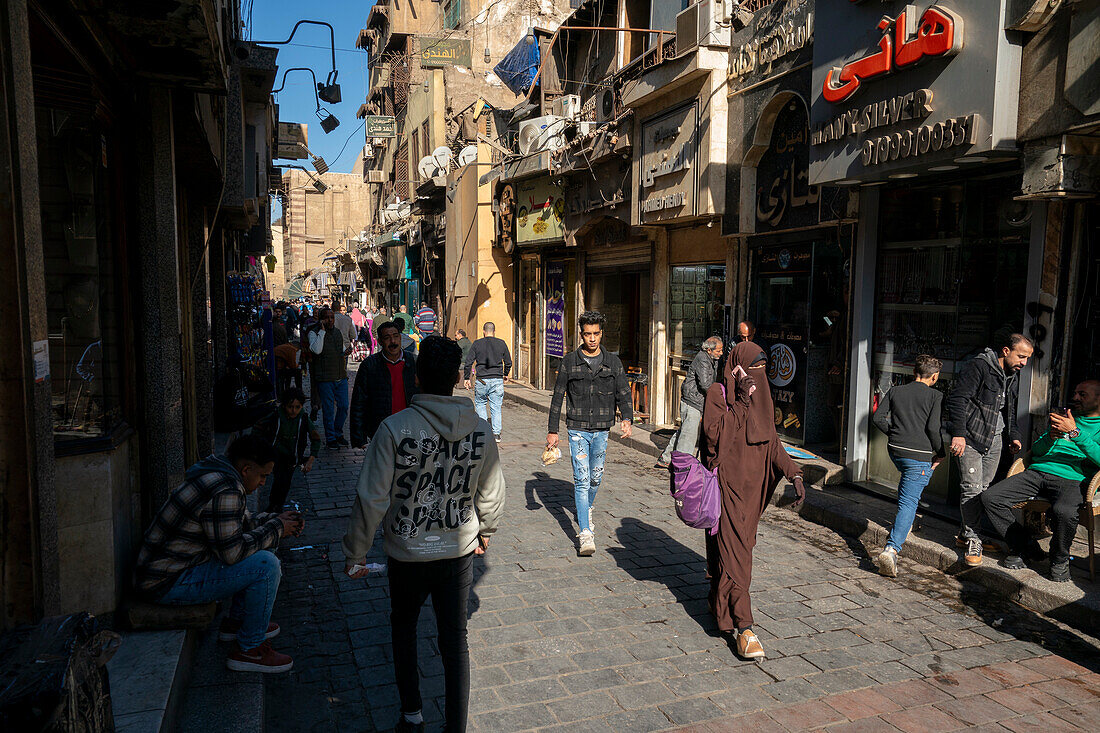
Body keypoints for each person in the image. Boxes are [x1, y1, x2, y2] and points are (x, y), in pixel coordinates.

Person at [343, 335, 506, 733]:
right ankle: (455, 726)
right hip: (457, 552)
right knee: (455, 640)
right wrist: (485, 529)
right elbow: (492, 490)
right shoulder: (482, 431)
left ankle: (412, 714)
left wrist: (357, 552)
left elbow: (372, 498)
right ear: (455, 377)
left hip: (407, 552)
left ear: (417, 377)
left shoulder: (394, 429)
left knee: (404, 628)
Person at [133, 434, 303, 672]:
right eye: (263, 476)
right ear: (246, 469)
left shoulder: (220, 474)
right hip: (166, 582)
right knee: (266, 565)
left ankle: (238, 622)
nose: (264, 483)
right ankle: (250, 648)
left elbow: (238, 526)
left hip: (176, 569)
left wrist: (275, 521)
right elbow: (232, 553)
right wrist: (275, 529)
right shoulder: (226, 489)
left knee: (267, 541)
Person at [702, 341, 805, 660]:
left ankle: (718, 605)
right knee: (739, 561)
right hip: (727, 489)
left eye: (763, 369)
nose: (758, 375)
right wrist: (742, 401)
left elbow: (772, 442)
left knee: (732, 556)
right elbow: (715, 436)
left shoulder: (762, 400)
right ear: (737, 368)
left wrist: (794, 473)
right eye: (753, 368)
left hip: (753, 496)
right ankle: (745, 629)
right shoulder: (718, 395)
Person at [981, 380, 1100, 582]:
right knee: (991, 498)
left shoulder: (1079, 425)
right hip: (1038, 472)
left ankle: (1059, 558)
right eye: (1075, 393)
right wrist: (1050, 438)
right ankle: (1025, 546)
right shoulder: (1067, 418)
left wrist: (1075, 433)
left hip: (1073, 479)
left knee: (1064, 512)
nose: (1075, 398)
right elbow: (1035, 452)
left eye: (1082, 395)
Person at [547, 311, 633, 557]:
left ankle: (586, 508)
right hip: (577, 429)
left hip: (602, 430)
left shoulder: (613, 363)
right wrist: (553, 431)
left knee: (596, 478)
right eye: (587, 334)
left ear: (601, 333)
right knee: (582, 480)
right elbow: (558, 396)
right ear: (581, 334)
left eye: (596, 334)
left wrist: (627, 418)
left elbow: (623, 393)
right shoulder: (569, 361)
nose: (592, 338)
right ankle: (585, 533)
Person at [946, 333, 1033, 567]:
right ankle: (974, 539)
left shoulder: (1012, 375)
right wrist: (958, 434)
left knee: (983, 489)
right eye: (1021, 356)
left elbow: (1010, 409)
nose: (1024, 363)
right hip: (971, 436)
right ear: (1006, 351)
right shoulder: (979, 366)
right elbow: (957, 399)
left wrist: (1013, 435)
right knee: (971, 488)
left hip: (994, 439)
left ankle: (966, 535)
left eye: (1027, 358)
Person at [871, 355, 944, 577]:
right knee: (909, 501)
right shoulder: (935, 395)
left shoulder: (895, 391)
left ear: (914, 373)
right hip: (919, 454)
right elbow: (933, 428)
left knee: (909, 488)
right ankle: (892, 549)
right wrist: (940, 453)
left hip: (896, 450)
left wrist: (894, 433)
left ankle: (906, 525)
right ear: (935, 376)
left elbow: (878, 419)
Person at [656, 336, 723, 469]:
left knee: (685, 431)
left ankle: (666, 458)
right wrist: (719, 394)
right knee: (688, 436)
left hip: (694, 400)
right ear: (709, 350)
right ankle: (682, 464)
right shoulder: (703, 359)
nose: (721, 353)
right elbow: (705, 384)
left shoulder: (710, 359)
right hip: (693, 401)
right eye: (718, 351)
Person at [350, 320, 418, 448]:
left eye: (395, 336)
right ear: (380, 341)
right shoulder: (370, 365)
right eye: (387, 338)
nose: (393, 341)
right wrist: (359, 438)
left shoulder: (413, 362)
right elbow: (359, 402)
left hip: (410, 427)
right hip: (382, 429)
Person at [252, 387, 321, 513]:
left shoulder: (303, 418)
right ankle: (274, 505)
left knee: (285, 482)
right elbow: (258, 427)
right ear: (284, 405)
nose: (293, 410)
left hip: (292, 456)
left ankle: (277, 505)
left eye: (297, 407)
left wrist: (311, 459)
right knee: (279, 479)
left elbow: (315, 438)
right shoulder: (276, 415)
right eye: (290, 407)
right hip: (276, 454)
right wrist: (261, 446)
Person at [308, 308, 352, 449]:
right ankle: (331, 438)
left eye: (332, 317)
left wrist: (346, 352)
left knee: (344, 407)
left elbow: (342, 350)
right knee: (328, 410)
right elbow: (317, 350)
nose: (330, 320)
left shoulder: (338, 333)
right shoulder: (313, 333)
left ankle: (338, 432)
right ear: (320, 319)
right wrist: (322, 331)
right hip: (325, 378)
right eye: (326, 318)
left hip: (340, 376)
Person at [463, 322, 513, 443]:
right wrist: (505, 374)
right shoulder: (501, 343)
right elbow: (508, 361)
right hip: (496, 379)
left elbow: (468, 362)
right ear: (494, 331)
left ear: (483, 331)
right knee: (496, 407)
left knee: (480, 404)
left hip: (482, 379)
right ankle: (496, 434)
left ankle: (483, 431)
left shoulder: (477, 343)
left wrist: (466, 378)